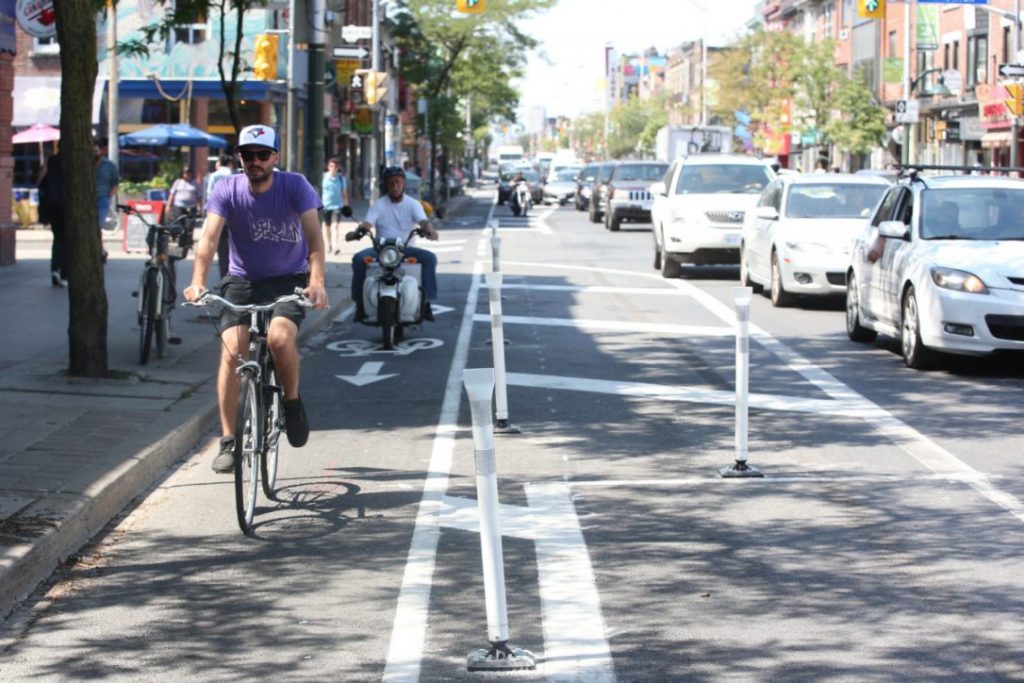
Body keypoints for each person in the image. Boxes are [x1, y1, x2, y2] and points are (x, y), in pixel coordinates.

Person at [184, 124, 329, 474]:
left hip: (289, 279)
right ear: (240, 159)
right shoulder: (227, 188)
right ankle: (229, 440)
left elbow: (314, 240)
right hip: (242, 280)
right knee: (232, 349)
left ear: (275, 157)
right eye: (248, 155)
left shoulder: (295, 186)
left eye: (263, 155)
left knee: (279, 338)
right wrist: (197, 282)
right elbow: (208, 239)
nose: (255, 162)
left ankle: (292, 403)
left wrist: (317, 282)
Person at [351, 166, 439, 321]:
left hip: (406, 249)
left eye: (398, 182)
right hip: (381, 250)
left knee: (429, 258)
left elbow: (424, 221)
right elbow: (368, 223)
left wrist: (430, 230)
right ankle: (359, 304)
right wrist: (358, 232)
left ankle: (426, 303)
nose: (395, 186)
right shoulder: (379, 205)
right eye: (391, 183)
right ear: (386, 184)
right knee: (358, 259)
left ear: (403, 183)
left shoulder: (413, 204)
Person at [38, 153, 67, 287]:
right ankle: (64, 273)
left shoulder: (50, 160)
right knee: (69, 240)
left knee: (58, 239)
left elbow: (39, 181)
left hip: (52, 206)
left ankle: (55, 269)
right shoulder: (76, 161)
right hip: (68, 207)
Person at [205, 154, 235, 278]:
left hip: (217, 215)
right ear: (230, 163)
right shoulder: (233, 175)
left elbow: (209, 196)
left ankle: (224, 277)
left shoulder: (213, 176)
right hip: (233, 216)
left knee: (219, 247)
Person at [95, 138, 119, 263]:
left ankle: (99, 251)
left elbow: (115, 183)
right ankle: (101, 250)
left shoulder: (109, 165)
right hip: (88, 200)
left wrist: (109, 196)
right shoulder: (85, 164)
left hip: (102, 199)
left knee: (97, 226)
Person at [321, 156, 349, 255]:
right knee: (326, 227)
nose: (333, 168)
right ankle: (328, 245)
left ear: (338, 168)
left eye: (335, 166)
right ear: (328, 167)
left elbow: (344, 193)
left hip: (337, 206)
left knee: (335, 226)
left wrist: (346, 205)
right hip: (325, 206)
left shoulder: (341, 179)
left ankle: (335, 246)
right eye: (331, 166)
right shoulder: (323, 177)